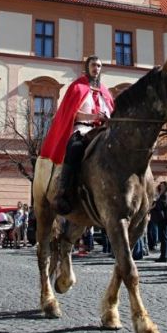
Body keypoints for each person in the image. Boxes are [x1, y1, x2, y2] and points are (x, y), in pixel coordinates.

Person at [40, 56, 114, 215]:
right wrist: (92, 117)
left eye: (99, 66)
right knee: (74, 148)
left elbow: (112, 113)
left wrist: (107, 119)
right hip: (82, 129)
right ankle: (63, 191)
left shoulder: (105, 92)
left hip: (102, 131)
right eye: (93, 65)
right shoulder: (77, 87)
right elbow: (71, 113)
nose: (96, 68)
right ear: (87, 67)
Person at [155, 181, 167, 263]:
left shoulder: (166, 193)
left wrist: (156, 201)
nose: (161, 187)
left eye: (162, 186)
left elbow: (163, 204)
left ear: (166, 186)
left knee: (164, 238)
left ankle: (164, 256)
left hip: (164, 218)